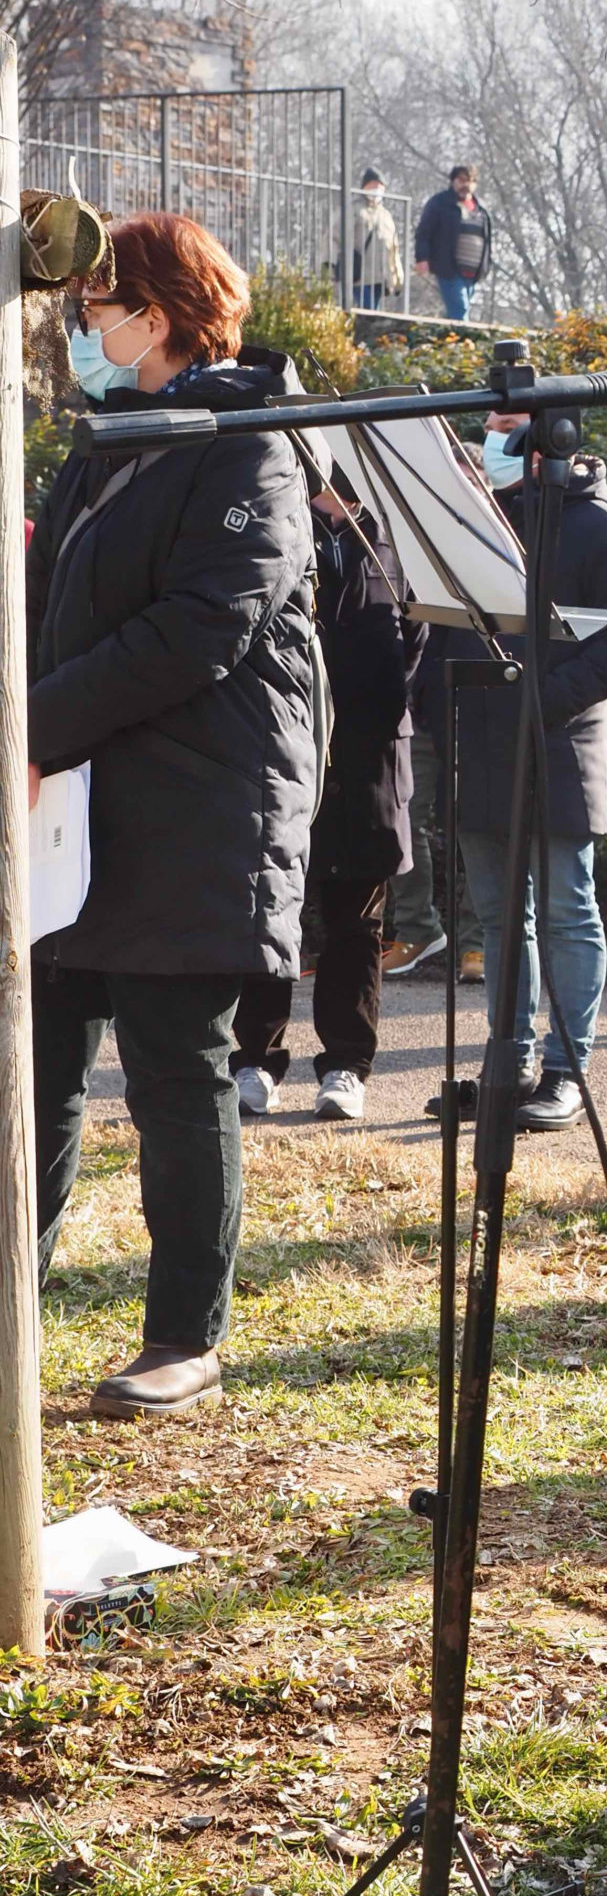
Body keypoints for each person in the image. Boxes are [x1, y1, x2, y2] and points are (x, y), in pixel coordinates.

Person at [29, 212, 316, 1420]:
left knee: (173, 1071)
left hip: (198, 813)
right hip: (82, 817)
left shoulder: (248, 443)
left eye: (95, 312)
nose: (81, 335)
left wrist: (28, 727)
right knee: (33, 1063)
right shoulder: (108, 443)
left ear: (154, 316)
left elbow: (199, 630)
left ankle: (184, 1337)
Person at [427, 413, 607, 1131]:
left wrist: (541, 701)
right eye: (490, 425)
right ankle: (510, 1063)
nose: (492, 439)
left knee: (565, 913)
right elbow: (437, 628)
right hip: (480, 750)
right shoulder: (476, 522)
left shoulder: (596, 525)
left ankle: (565, 1071)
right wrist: (439, 711)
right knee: (498, 919)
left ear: (549, 439)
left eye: (508, 427)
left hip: (557, 750)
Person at [232, 474, 427, 1120]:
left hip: (370, 761)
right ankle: (256, 1060)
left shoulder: (399, 540)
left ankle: (346, 1065)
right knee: (269, 911)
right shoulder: (276, 524)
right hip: (282, 754)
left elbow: (418, 645)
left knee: (357, 923)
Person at [381, 728, 483, 981]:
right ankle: (417, 929)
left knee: (481, 827)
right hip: (416, 712)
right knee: (399, 819)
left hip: (479, 710)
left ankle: (478, 943)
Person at [413, 166, 493, 322]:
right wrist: (422, 258)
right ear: (453, 181)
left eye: (470, 181)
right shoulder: (440, 203)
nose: (466, 185)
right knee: (460, 310)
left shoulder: (481, 210)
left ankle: (448, 342)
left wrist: (486, 265)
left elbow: (487, 240)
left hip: (472, 272)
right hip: (449, 268)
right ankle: (465, 343)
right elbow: (423, 232)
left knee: (456, 313)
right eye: (461, 180)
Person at [351, 170, 403, 312]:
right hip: (359, 275)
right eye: (372, 186)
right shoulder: (353, 210)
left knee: (374, 311)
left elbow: (393, 249)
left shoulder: (386, 216)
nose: (376, 190)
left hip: (380, 277)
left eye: (380, 186)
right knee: (369, 311)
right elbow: (337, 236)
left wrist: (397, 278)